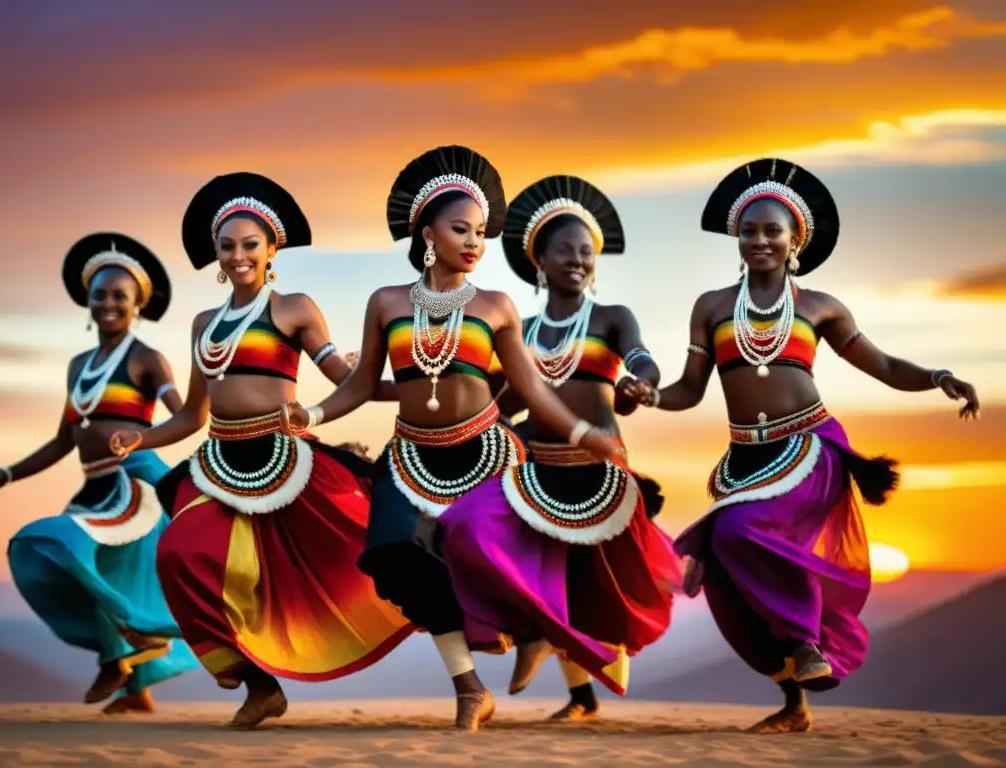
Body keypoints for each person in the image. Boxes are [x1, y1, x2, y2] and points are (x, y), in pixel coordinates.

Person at [281, 147, 624, 732]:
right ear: (427, 233)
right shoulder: (387, 302)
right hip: (409, 455)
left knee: (477, 544)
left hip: (487, 454)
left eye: (482, 232)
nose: (474, 242)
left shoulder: (496, 306)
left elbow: (534, 390)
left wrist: (583, 431)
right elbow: (362, 385)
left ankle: (535, 629)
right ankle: (469, 686)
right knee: (392, 556)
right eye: (461, 229)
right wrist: (311, 412)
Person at [636, 157, 980, 733]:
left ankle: (805, 641)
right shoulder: (713, 308)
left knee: (739, 532)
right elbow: (689, 392)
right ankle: (793, 698)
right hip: (746, 458)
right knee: (725, 567)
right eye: (749, 230)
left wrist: (937, 376)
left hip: (809, 450)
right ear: (735, 238)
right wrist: (648, 396)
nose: (760, 240)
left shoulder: (820, 306)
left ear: (796, 239)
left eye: (773, 230)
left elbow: (885, 364)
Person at [109, 172, 410, 729]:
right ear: (217, 256)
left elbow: (346, 376)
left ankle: (453, 622)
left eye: (251, 244)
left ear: (273, 248)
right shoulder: (204, 324)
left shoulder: (294, 307)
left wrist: (405, 385)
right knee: (179, 554)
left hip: (284, 456)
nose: (239, 254)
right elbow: (192, 415)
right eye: (228, 246)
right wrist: (141, 437)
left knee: (360, 547)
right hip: (217, 463)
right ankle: (257, 684)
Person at [437, 175, 684, 721]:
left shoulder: (613, 318)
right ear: (539, 262)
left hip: (598, 471)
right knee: (467, 529)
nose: (578, 260)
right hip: (532, 471)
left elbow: (642, 360)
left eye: (587, 253)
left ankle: (577, 691)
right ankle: (533, 637)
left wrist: (639, 385)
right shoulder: (518, 329)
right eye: (565, 251)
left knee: (586, 586)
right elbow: (500, 402)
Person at [0, 232, 197, 714]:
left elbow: (181, 415)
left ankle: (118, 659)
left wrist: (142, 439)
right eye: (100, 293)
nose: (108, 303)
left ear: (137, 304)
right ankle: (136, 689)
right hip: (94, 486)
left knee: (86, 557)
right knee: (70, 560)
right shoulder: (79, 365)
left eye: (119, 295)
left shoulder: (146, 359)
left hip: (134, 484)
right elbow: (64, 440)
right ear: (87, 300)